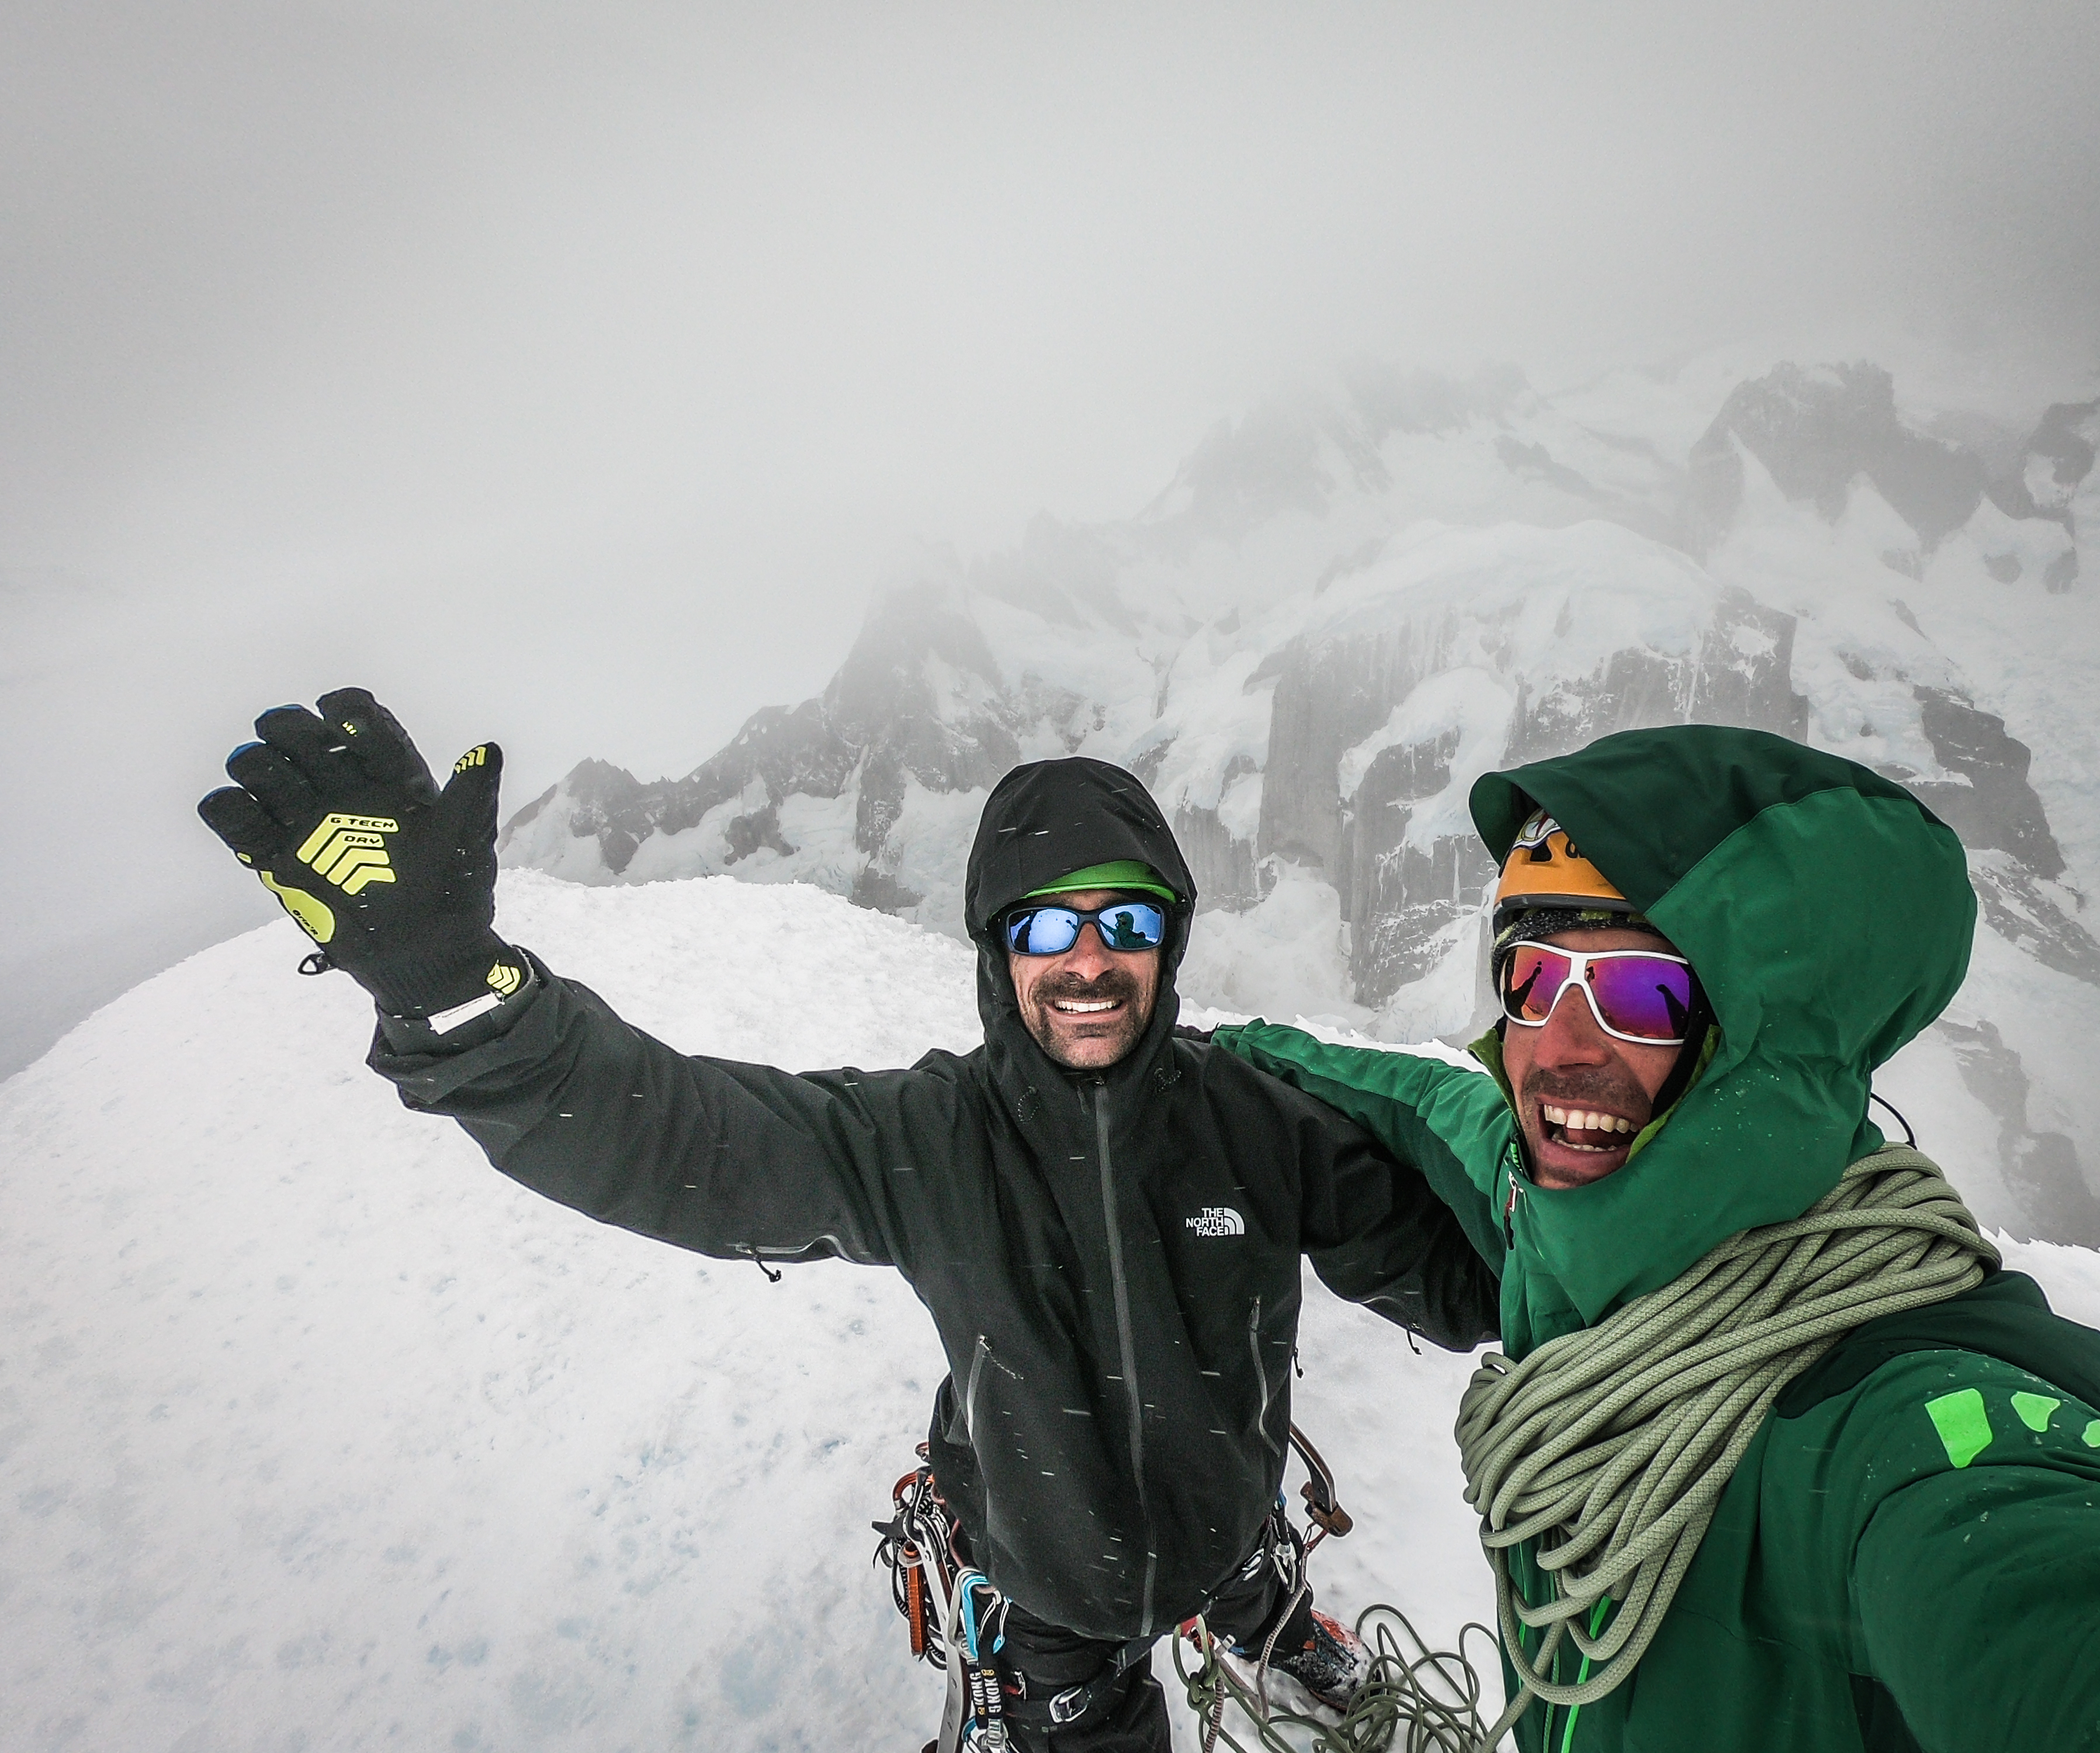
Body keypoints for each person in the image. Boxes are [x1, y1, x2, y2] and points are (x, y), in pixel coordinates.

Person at [196, 688, 1499, 1752]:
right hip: (1050, 1586)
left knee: (1231, 1557)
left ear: (1168, 939)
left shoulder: (1260, 1121)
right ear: (998, 950)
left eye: (1125, 921)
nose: (1088, 959)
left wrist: (1595, 1235)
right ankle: (1204, 1624)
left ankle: (1255, 1609)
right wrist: (456, 999)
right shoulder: (928, 1138)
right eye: (1047, 924)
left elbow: (1449, 1280)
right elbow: (682, 1139)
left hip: (1223, 1520)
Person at [1215, 725, 2100, 1752]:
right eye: (1533, 977)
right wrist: (1217, 1056)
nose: (1558, 1048)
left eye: (1641, 995)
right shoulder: (1561, 1204)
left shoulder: (1898, 1432)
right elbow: (1428, 1104)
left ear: (1758, 1042)